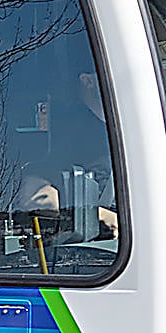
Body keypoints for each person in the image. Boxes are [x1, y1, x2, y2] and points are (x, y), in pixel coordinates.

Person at [15, 68, 119, 242]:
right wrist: (92, 215)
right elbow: (33, 193)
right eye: (114, 70)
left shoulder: (132, 129)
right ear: (88, 80)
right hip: (91, 249)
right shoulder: (68, 130)